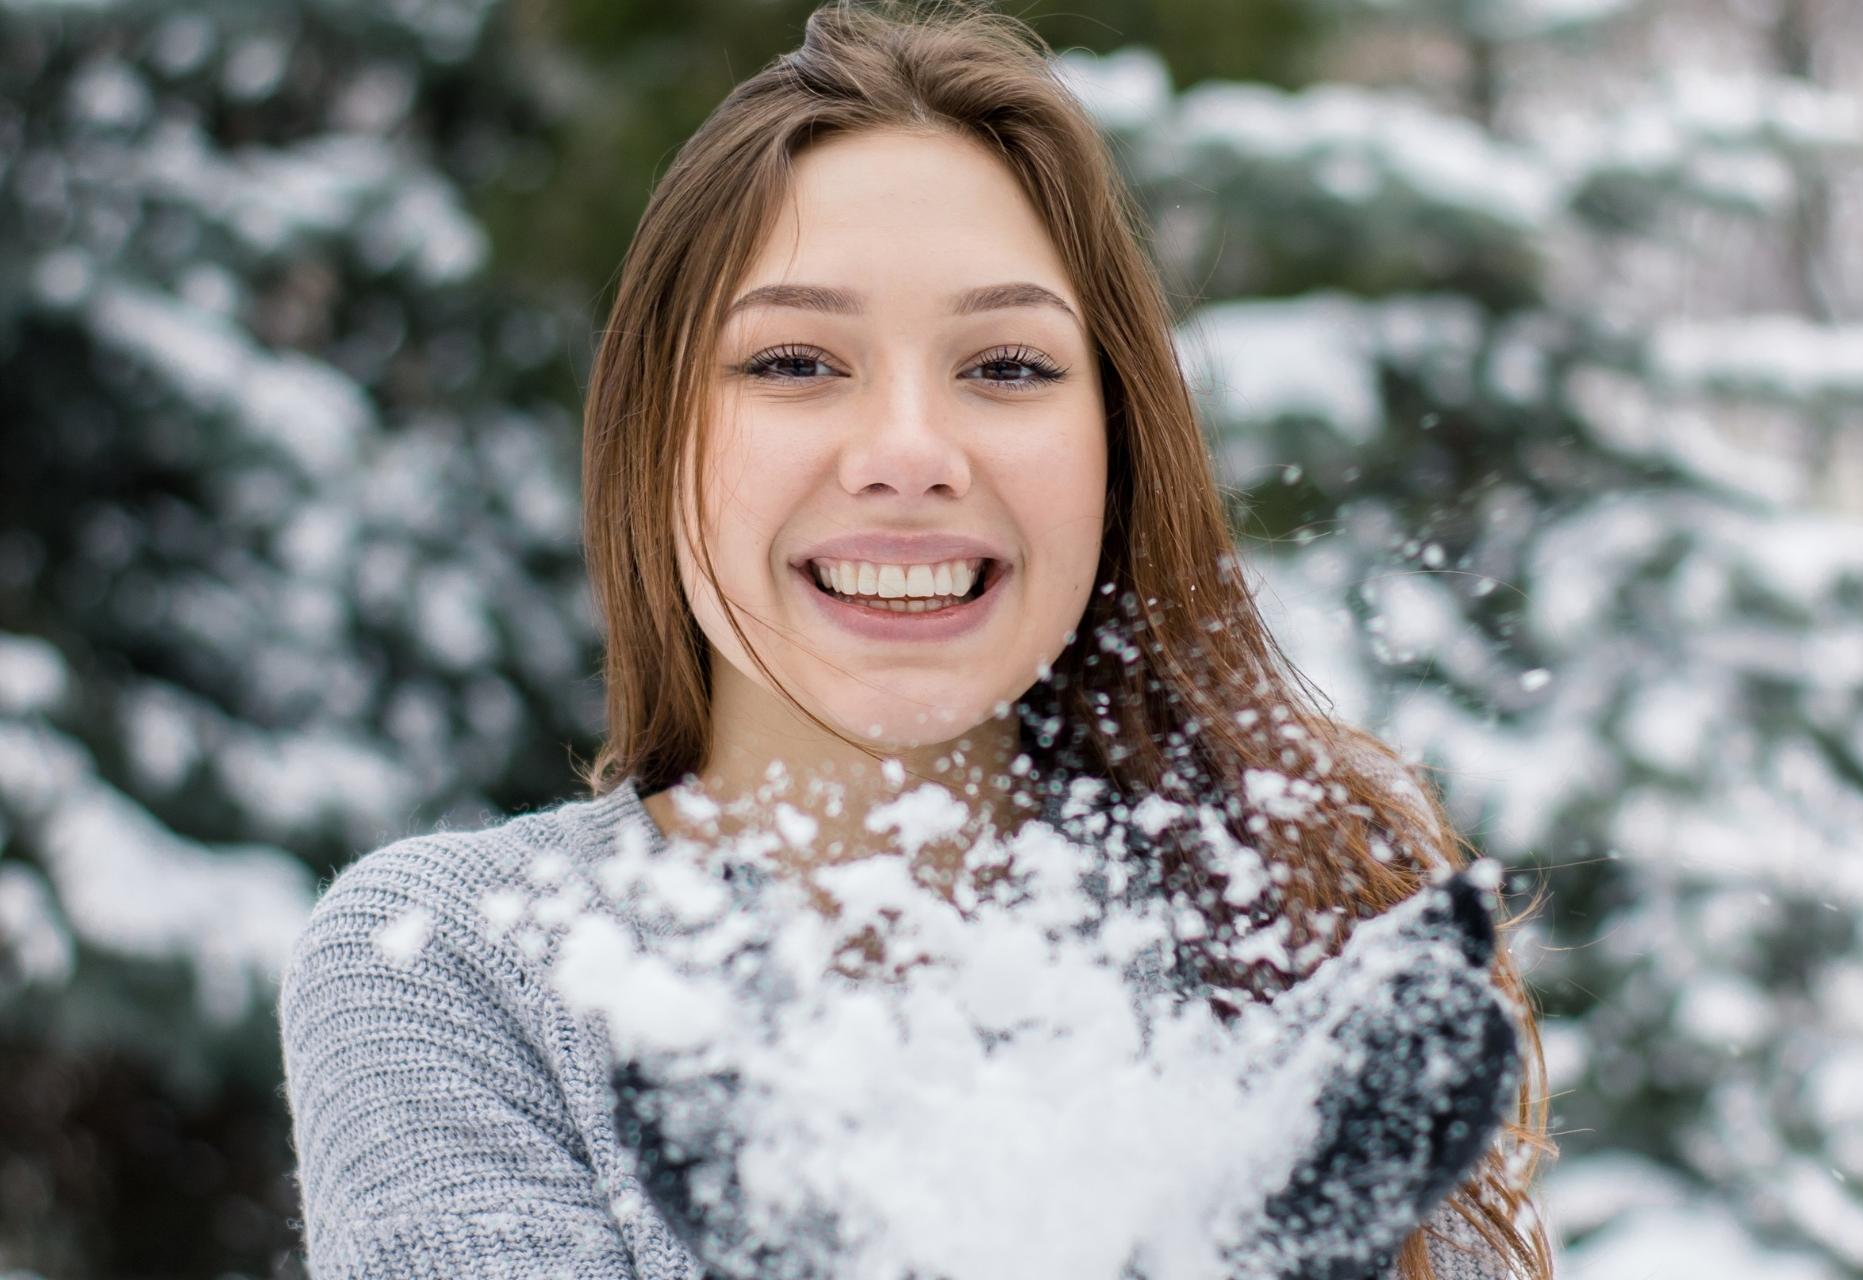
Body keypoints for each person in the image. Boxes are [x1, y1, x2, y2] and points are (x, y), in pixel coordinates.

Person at [276, 2, 1556, 1277]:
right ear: (653, 432)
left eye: (1005, 366)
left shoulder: (1301, 913)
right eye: (790, 361)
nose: (907, 455)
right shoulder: (463, 966)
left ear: (1116, 446)